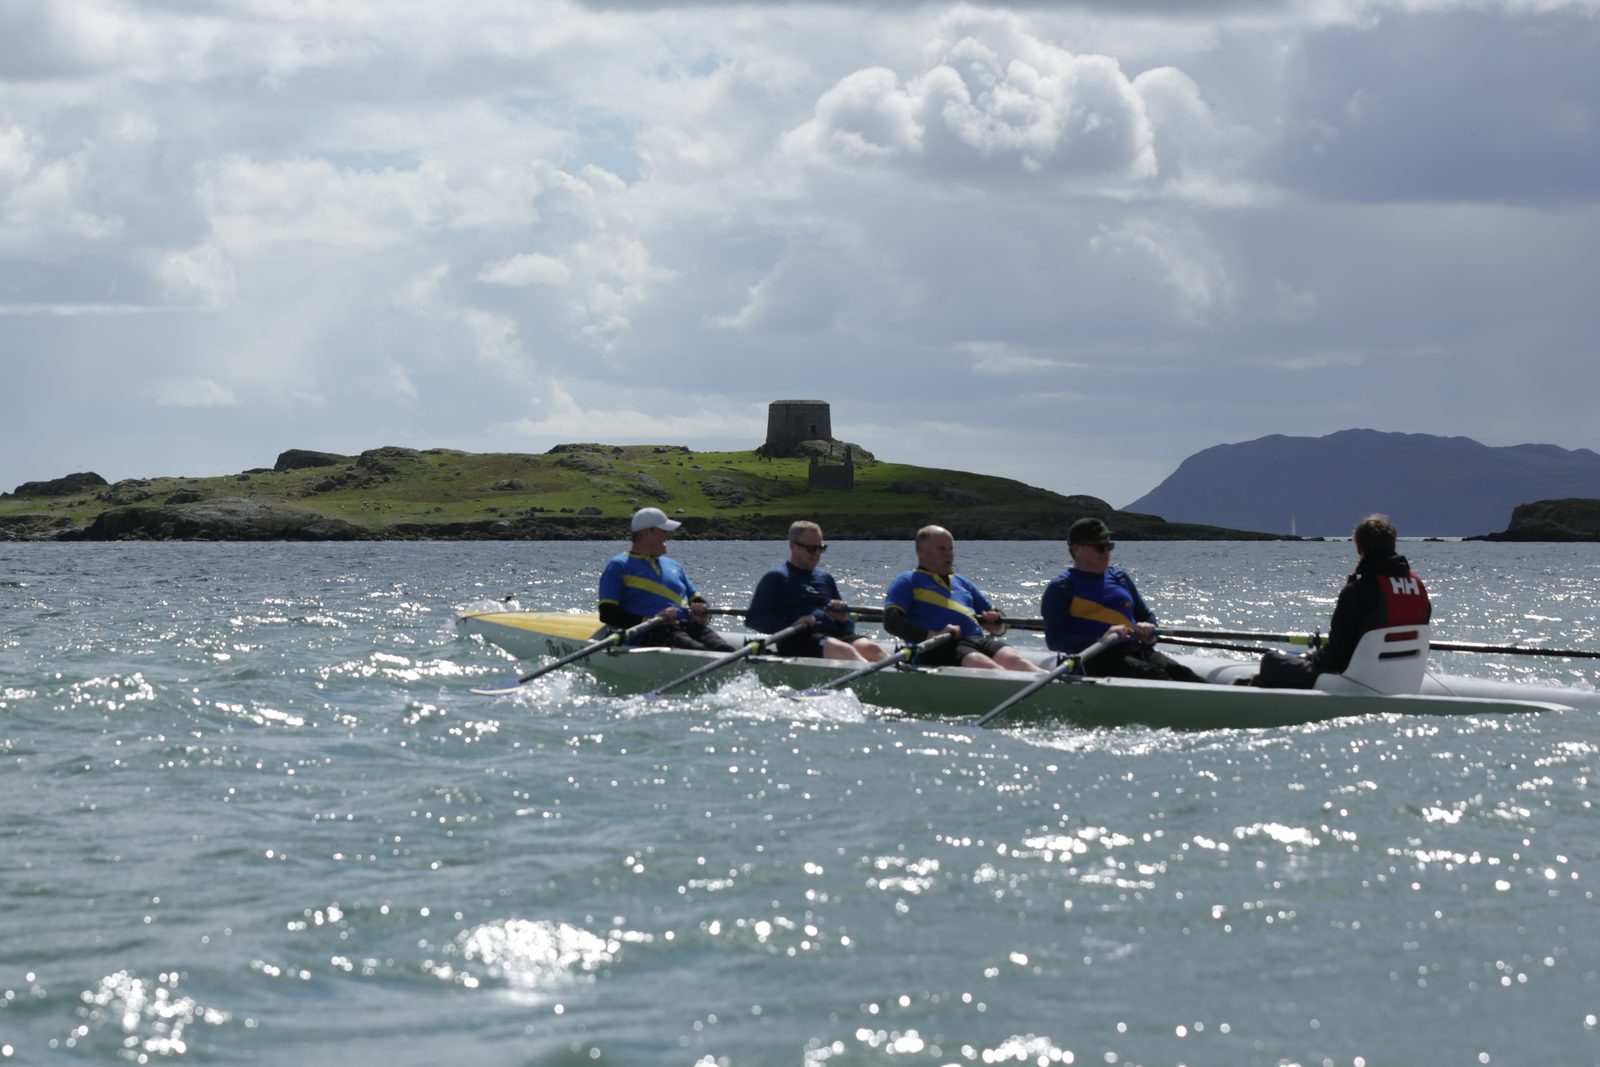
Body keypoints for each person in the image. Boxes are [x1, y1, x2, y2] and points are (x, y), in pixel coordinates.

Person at [1252, 513, 1431, 689]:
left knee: (1271, 661)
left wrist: (1309, 657)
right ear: (1393, 544)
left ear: (1359, 548)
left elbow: (1335, 656)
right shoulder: (1418, 588)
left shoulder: (1359, 591)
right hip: (1404, 674)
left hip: (1358, 676)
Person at [1040, 517, 1207, 683]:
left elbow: (1144, 614)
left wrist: (1149, 631)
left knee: (1182, 673)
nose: (1107, 552)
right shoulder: (1062, 587)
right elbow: (1055, 640)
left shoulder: (1120, 577)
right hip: (1093, 657)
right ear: (1077, 549)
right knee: (1155, 676)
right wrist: (1100, 640)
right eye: (1100, 547)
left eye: (1110, 546)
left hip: (1133, 649)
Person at [882, 525, 1045, 672]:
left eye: (950, 549)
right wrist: (934, 635)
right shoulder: (908, 580)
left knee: (1016, 660)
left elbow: (998, 622)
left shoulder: (961, 582)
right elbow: (892, 621)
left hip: (977, 641)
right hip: (938, 647)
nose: (949, 554)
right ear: (921, 550)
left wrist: (996, 622)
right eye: (941, 549)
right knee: (988, 667)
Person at [745, 521, 888, 662]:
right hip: (798, 639)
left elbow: (848, 625)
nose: (816, 553)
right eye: (811, 549)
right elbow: (753, 619)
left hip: (832, 636)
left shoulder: (825, 578)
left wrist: (844, 619)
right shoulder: (776, 577)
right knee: (845, 650)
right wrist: (791, 623)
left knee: (872, 649)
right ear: (793, 546)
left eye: (820, 548)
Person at [597, 507, 735, 652]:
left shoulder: (674, 566)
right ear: (647, 533)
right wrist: (649, 620)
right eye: (664, 531)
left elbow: (698, 601)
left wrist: (702, 614)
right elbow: (608, 614)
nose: (670, 535)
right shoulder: (619, 565)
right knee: (701, 650)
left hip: (688, 627)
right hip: (650, 633)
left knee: (724, 649)